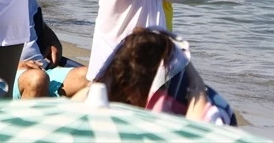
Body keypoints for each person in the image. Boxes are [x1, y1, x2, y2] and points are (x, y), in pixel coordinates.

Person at [89, 29, 234, 125]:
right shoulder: (168, 128)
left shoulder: (92, 112)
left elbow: (101, 84)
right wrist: (196, 83)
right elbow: (199, 125)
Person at [14, 0, 89, 99]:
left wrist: (51, 39)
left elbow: (36, 23)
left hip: (44, 70)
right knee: (37, 79)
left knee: (92, 77)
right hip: (5, 74)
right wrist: (15, 65)